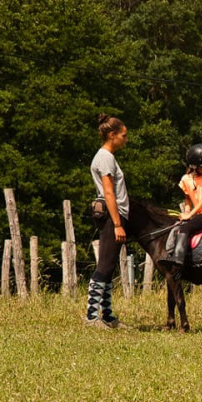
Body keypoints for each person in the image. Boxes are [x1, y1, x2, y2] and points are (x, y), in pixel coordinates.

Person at [84, 114, 130, 329]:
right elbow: (109, 192)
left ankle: (108, 316)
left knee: (109, 266)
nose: (125, 139)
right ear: (112, 135)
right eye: (123, 135)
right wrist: (117, 224)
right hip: (112, 217)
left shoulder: (107, 157)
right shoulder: (105, 158)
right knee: (104, 265)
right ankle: (91, 317)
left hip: (115, 216)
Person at [159, 143, 202, 271]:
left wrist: (190, 214)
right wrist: (186, 211)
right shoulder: (185, 179)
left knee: (185, 228)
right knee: (177, 227)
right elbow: (187, 198)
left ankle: (177, 259)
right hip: (199, 214)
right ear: (194, 166)